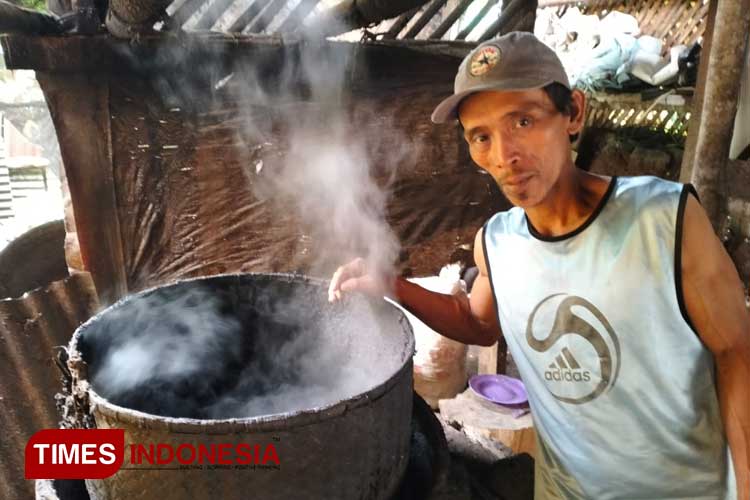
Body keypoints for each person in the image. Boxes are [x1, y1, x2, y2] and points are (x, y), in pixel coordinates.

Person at [328, 32, 749, 499]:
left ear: (573, 113)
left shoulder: (665, 220)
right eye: (481, 137)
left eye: (523, 121)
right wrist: (394, 285)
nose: (504, 157)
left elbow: (737, 352)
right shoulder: (497, 242)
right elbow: (477, 322)